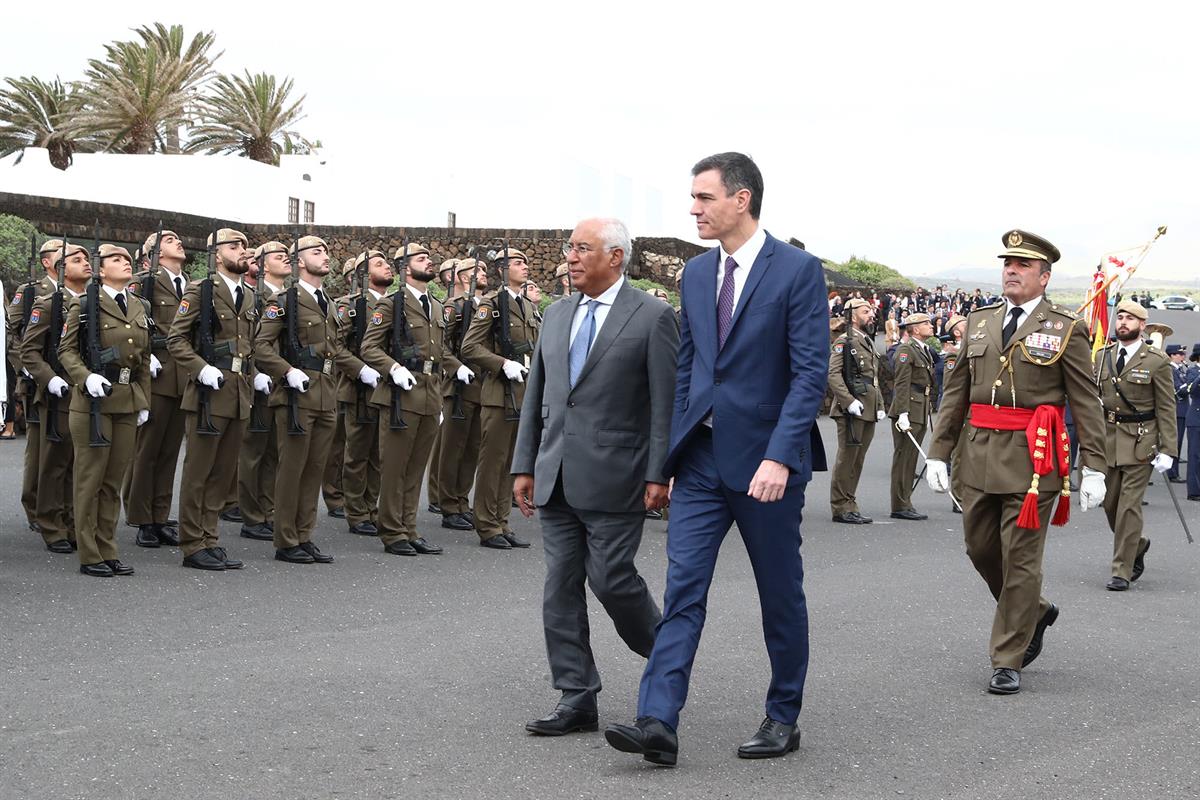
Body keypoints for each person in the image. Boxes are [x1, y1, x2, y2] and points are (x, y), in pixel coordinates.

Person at [605, 152, 828, 765]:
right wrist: (672, 454)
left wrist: (782, 457)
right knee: (683, 591)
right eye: (694, 198)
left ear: (742, 199)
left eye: (704, 198)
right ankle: (657, 720)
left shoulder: (798, 271)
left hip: (767, 468)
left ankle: (783, 716)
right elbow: (689, 370)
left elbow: (810, 375)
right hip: (701, 460)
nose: (694, 208)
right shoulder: (698, 275)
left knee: (779, 593)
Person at [513, 217, 678, 737]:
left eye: (583, 248)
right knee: (559, 586)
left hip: (618, 474)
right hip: (555, 471)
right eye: (569, 248)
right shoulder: (556, 314)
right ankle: (576, 695)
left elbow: (665, 404)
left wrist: (660, 471)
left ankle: (667, 660)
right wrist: (524, 464)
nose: (571, 257)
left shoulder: (652, 317)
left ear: (616, 257)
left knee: (611, 578)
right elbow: (537, 395)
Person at [926, 229, 1107, 695]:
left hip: (1035, 459)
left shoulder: (1066, 328)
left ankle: (1007, 657)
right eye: (1008, 262)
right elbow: (956, 395)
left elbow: (1085, 403)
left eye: (1023, 265)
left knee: (1021, 560)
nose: (1011, 269)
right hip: (979, 452)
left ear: (1044, 277)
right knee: (981, 549)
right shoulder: (981, 321)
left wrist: (1096, 467)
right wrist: (939, 452)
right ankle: (1036, 611)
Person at [58, 243, 152, 577]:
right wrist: (86, 378)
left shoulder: (140, 306)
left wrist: (143, 401)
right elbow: (66, 351)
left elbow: (143, 361)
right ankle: (89, 553)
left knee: (113, 482)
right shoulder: (84, 304)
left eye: (128, 259)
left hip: (126, 400)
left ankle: (108, 547)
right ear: (101, 270)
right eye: (116, 259)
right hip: (92, 403)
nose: (125, 263)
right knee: (90, 480)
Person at [166, 229, 256, 570]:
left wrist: (254, 375)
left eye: (244, 246)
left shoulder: (247, 295)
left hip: (237, 393)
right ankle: (192, 544)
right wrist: (200, 368)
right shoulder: (200, 290)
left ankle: (210, 537)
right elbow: (176, 340)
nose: (242, 251)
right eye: (234, 247)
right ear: (217, 255)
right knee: (199, 472)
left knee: (222, 473)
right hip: (208, 393)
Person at [253, 235, 342, 565]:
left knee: (314, 469)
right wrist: (286, 370)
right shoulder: (284, 300)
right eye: (317, 252)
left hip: (325, 394)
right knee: (291, 468)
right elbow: (260, 346)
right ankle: (286, 539)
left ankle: (304, 535)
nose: (325, 256)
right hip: (295, 396)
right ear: (300, 261)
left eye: (327, 251)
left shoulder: (327, 302)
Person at [359, 243, 448, 556]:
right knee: (395, 467)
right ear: (405, 268)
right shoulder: (392, 304)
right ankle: (392, 530)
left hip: (429, 394)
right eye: (421, 259)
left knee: (416, 469)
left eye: (429, 257)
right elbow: (369, 348)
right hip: (401, 395)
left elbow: (441, 352)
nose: (429, 262)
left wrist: (440, 396)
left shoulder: (436, 306)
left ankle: (409, 527)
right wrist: (393, 368)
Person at [460, 247, 540, 550]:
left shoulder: (529, 307)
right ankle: (486, 523)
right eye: (518, 262)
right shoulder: (492, 304)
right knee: (492, 461)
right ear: (501, 270)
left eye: (526, 262)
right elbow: (470, 347)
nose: (525, 267)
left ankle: (502, 520)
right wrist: (502, 363)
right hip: (497, 393)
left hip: (523, 393)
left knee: (511, 462)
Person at [1094, 301, 1176, 590]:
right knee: (1110, 504)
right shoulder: (1103, 356)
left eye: (1130, 319)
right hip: (1108, 438)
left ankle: (1121, 570)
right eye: (1121, 317)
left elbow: (1166, 406)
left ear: (1143, 325)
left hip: (1142, 440)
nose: (1123, 322)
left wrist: (1168, 449)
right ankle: (1137, 544)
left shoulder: (1156, 360)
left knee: (1129, 507)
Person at [19, 239, 86, 552]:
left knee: (78, 462)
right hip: (58, 391)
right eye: (78, 258)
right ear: (60, 268)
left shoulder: (92, 303)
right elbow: (28, 349)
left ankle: (72, 523)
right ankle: (50, 524)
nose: (87, 262)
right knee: (54, 462)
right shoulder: (48, 303)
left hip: (85, 390)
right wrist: (49, 379)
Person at [125, 230, 189, 548]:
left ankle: (160, 516)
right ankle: (141, 518)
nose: (177, 242)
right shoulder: (143, 281)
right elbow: (130, 325)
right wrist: (143, 355)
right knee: (146, 450)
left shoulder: (190, 286)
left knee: (169, 452)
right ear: (155, 254)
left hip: (183, 377)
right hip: (157, 373)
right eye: (168, 240)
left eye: (177, 239)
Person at [331, 249, 389, 537]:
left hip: (387, 388)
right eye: (379, 264)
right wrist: (360, 369)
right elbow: (336, 347)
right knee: (356, 453)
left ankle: (372, 507)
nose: (387, 267)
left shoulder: (393, 304)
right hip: (357, 388)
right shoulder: (350, 306)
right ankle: (356, 512)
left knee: (378, 455)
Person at [7, 238, 62, 533]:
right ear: (46, 261)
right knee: (39, 447)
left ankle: (55, 507)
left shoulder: (75, 292)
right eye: (61, 255)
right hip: (36, 377)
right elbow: (15, 333)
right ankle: (34, 507)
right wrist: (27, 369)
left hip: (63, 377)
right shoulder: (30, 291)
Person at [238, 242, 288, 541]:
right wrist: (255, 374)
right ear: (262, 265)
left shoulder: (286, 297)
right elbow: (248, 342)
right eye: (278, 257)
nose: (286, 261)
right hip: (258, 382)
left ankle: (269, 511)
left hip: (281, 382)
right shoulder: (253, 297)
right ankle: (252, 516)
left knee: (273, 452)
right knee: (253, 451)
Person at [435, 257, 487, 532]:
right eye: (477, 271)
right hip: (458, 386)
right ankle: (448, 505)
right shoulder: (453, 308)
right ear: (464, 277)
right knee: (453, 449)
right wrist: (456, 368)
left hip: (482, 386)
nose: (483, 274)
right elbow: (439, 346)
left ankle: (461, 501)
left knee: (472, 449)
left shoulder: (485, 307)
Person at [827, 298, 885, 524]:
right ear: (852, 315)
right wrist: (848, 400)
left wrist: (879, 405)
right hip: (851, 408)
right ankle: (840, 506)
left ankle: (850, 502)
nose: (871, 315)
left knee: (858, 459)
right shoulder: (844, 340)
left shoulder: (866, 341)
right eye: (865, 311)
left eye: (871, 311)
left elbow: (874, 379)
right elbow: (834, 374)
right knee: (847, 458)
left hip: (868, 407)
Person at [889, 312, 935, 520]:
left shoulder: (922, 349)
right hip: (910, 408)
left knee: (911, 459)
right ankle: (900, 504)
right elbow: (901, 382)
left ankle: (905, 501)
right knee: (904, 458)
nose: (931, 326)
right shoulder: (907, 349)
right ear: (915, 328)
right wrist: (903, 412)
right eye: (926, 323)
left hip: (920, 407)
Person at [1166, 343, 1189, 483]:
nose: (1182, 357)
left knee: (1178, 442)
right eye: (1180, 354)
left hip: (1182, 410)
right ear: (1172, 355)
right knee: (1174, 442)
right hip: (1175, 409)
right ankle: (1172, 472)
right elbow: (1177, 390)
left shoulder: (1179, 369)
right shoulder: (1170, 370)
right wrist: (1191, 384)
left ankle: (1174, 471)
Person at [1187, 344, 1200, 501]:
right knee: (1195, 456)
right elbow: (1191, 389)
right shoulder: (1192, 371)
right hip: (1196, 418)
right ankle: (1194, 490)